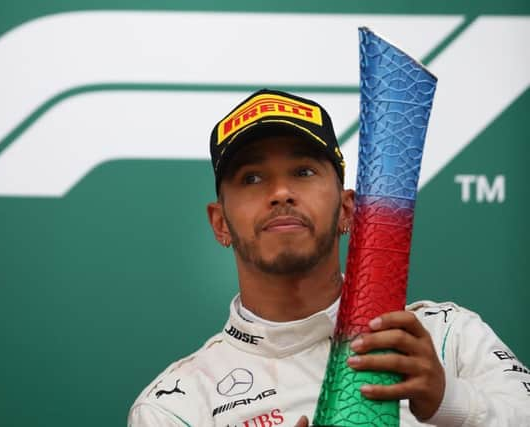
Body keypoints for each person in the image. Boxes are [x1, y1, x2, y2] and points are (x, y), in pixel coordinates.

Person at [128, 89, 530, 426]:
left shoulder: (448, 339)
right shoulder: (176, 408)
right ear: (220, 223)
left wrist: (451, 401)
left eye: (303, 171)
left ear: (346, 210)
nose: (281, 192)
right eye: (251, 178)